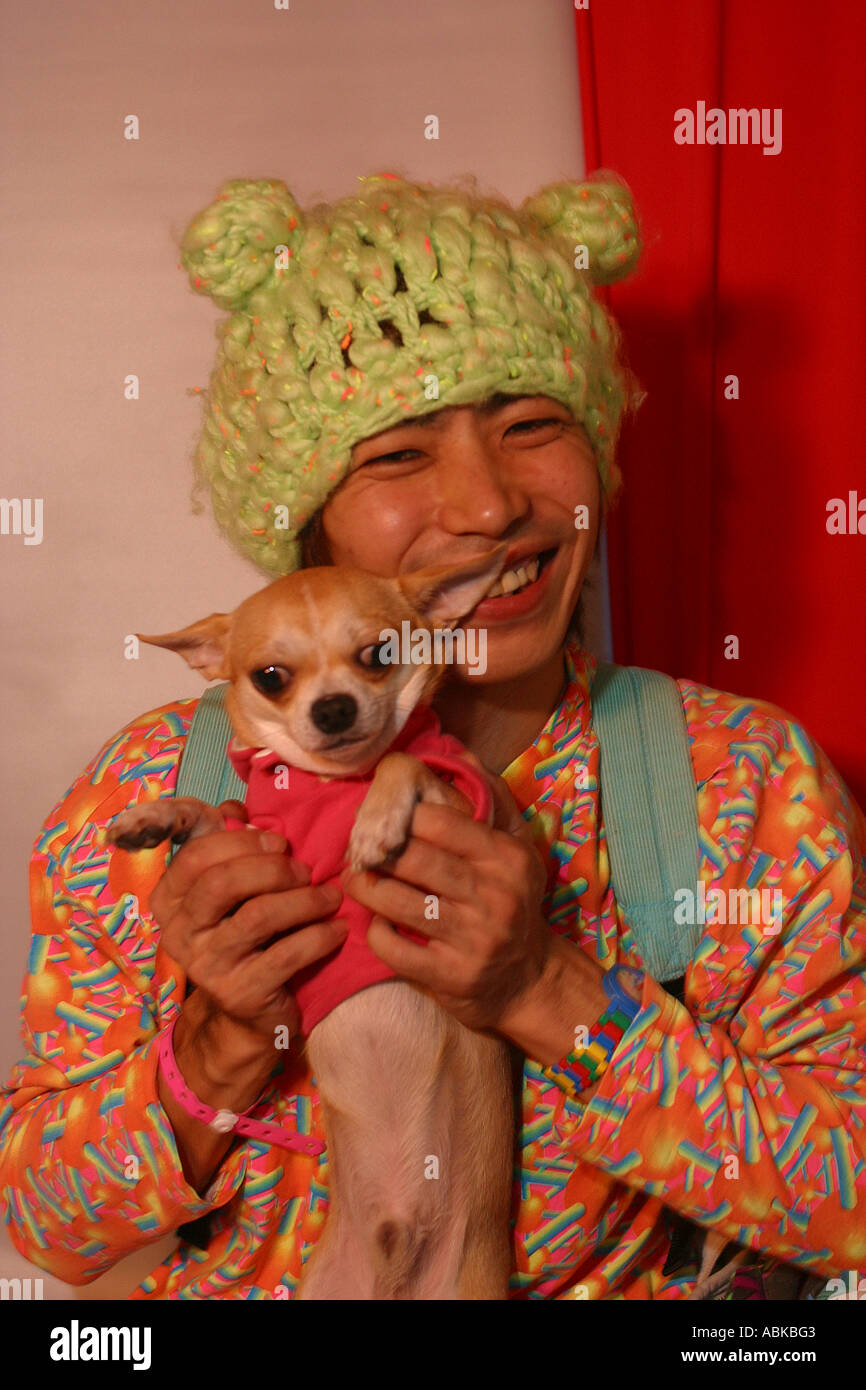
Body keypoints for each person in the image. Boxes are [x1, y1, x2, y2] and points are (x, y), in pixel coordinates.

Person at [1, 171, 863, 1301]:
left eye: (531, 424)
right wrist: (217, 1042)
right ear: (308, 526)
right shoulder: (153, 794)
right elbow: (44, 1229)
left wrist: (550, 994)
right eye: (397, 453)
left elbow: (847, 1200)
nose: (487, 504)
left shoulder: (739, 787)